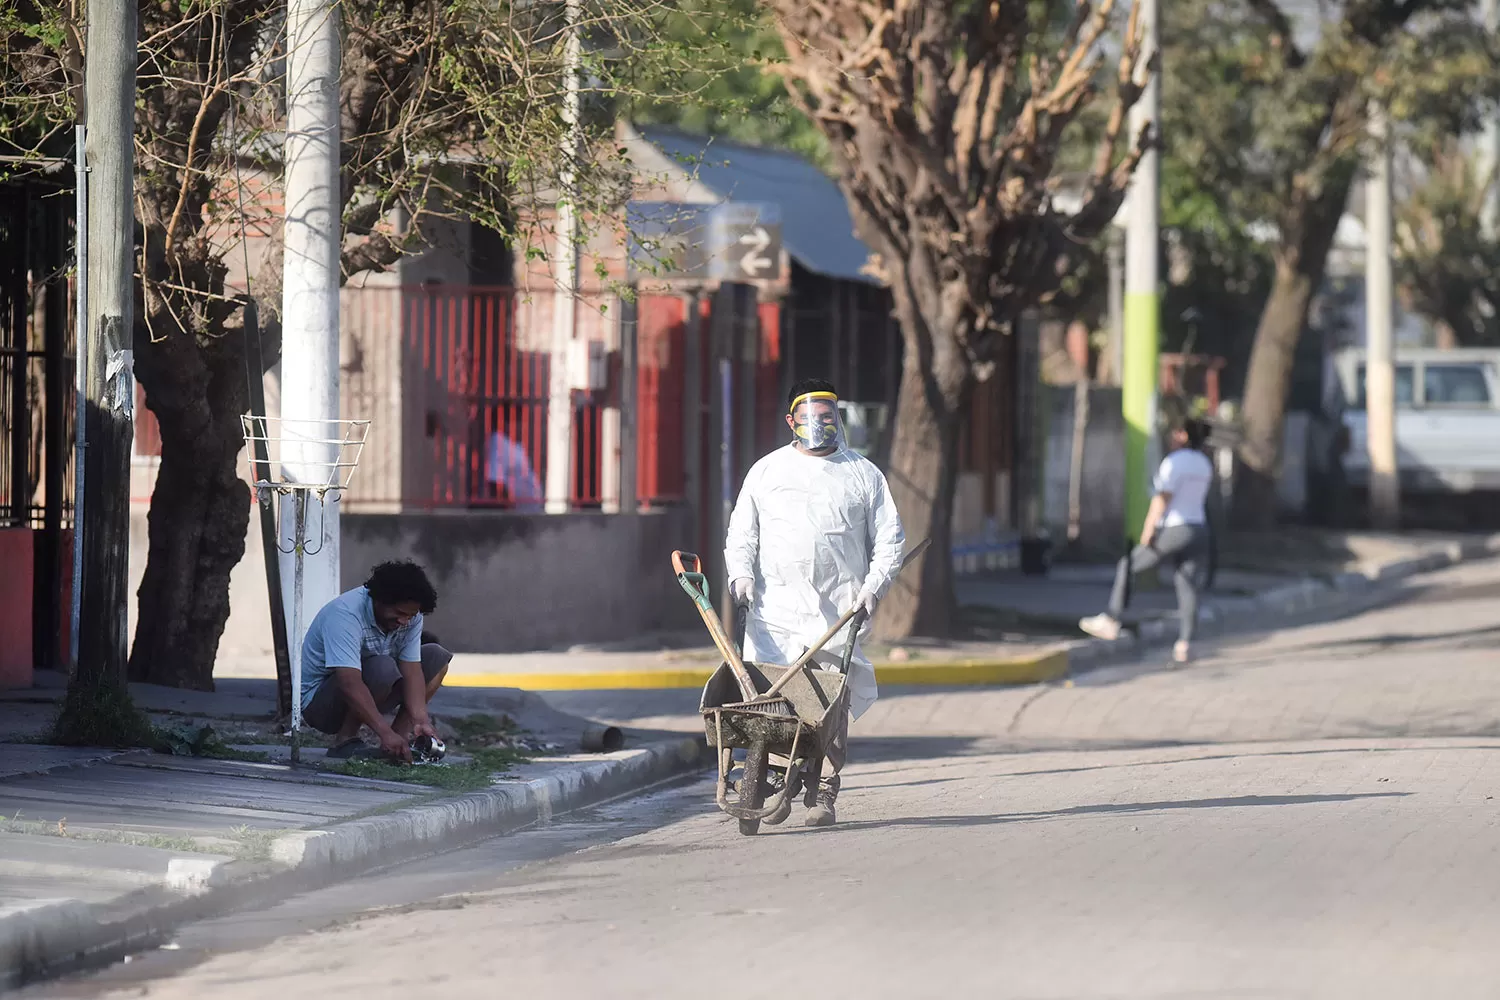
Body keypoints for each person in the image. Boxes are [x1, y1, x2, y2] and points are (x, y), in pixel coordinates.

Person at [725, 378, 905, 827]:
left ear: (837, 419)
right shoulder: (766, 471)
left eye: (827, 418)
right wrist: (741, 575)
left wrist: (873, 586)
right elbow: (743, 532)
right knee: (770, 698)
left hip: (839, 609)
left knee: (829, 702)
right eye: (809, 419)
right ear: (791, 422)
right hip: (774, 611)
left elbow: (890, 540)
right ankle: (771, 775)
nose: (819, 426)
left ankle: (823, 786)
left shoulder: (863, 474)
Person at [1079, 417, 1214, 663]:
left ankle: (1111, 618)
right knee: (1187, 585)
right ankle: (1186, 642)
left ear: (1184, 435)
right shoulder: (1204, 464)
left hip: (1174, 528)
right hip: (1199, 529)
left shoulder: (1174, 462)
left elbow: (1162, 498)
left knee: (1127, 565)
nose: (1172, 436)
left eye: (1177, 432)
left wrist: (1148, 529)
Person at [300, 560, 452, 762]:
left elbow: (412, 669)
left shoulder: (410, 615)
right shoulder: (345, 614)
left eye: (410, 615)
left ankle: (399, 740)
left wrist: (421, 719)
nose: (404, 621)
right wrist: (383, 732)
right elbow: (349, 681)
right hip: (321, 705)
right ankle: (345, 741)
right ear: (379, 600)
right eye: (399, 613)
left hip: (373, 689)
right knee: (383, 666)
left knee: (436, 657)